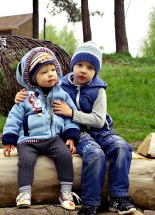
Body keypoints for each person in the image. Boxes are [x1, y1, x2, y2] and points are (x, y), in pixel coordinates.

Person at [15, 41, 136, 215]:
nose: (83, 70)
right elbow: (38, 92)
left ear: (96, 71)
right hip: (79, 132)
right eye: (79, 65)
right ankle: (90, 203)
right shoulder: (61, 86)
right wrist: (21, 95)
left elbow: (99, 121)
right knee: (95, 154)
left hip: (101, 130)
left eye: (90, 67)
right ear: (73, 65)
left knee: (122, 147)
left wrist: (71, 113)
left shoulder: (99, 90)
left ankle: (118, 197)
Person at [2, 47, 80, 210]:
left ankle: (66, 192)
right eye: (44, 72)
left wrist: (71, 136)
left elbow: (69, 117)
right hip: (28, 141)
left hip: (54, 139)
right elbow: (14, 118)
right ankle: (24, 193)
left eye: (53, 70)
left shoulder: (62, 95)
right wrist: (9, 139)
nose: (51, 74)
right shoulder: (25, 97)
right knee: (26, 160)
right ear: (33, 78)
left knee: (65, 156)